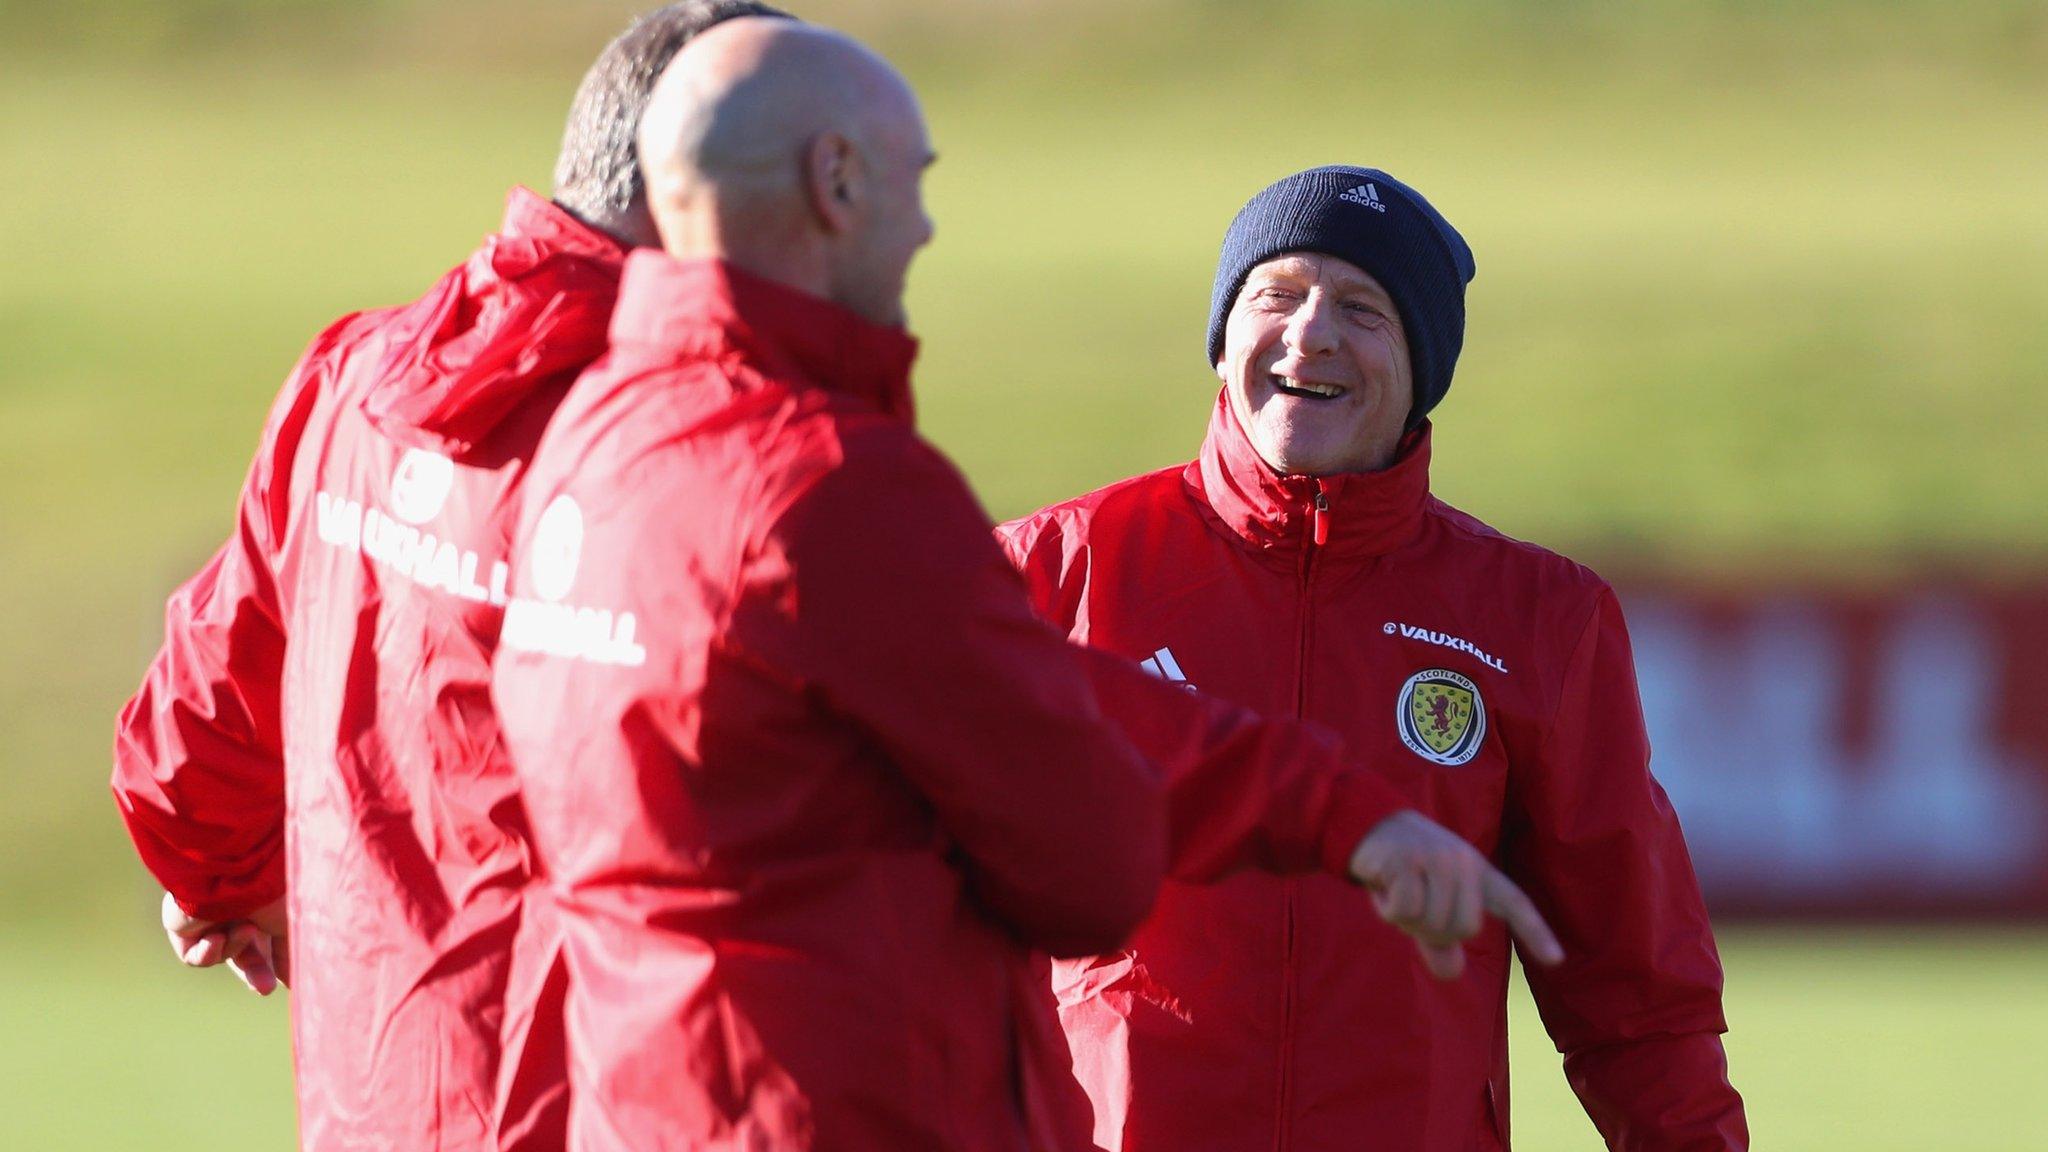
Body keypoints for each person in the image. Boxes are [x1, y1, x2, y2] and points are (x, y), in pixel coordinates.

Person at [491, 22, 1563, 1151]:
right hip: (810, 1108)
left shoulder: (592, 438)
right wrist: (1340, 815)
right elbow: (1080, 831)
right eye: (916, 182)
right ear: (834, 182)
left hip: (647, 1100)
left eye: (1362, 307)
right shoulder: (828, 485)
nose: (926, 227)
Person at [108, 4, 790, 1148]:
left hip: (377, 1107)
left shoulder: (352, 380)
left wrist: (229, 879)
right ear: (706, 188)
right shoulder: (693, 450)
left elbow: (189, 743)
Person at [999, 166, 1749, 1150]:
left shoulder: (1538, 619)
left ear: (1419, 367)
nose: (1310, 333)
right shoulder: (1051, 573)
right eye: (1274, 294)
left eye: (1361, 308)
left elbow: (1636, 995)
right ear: (1222, 337)